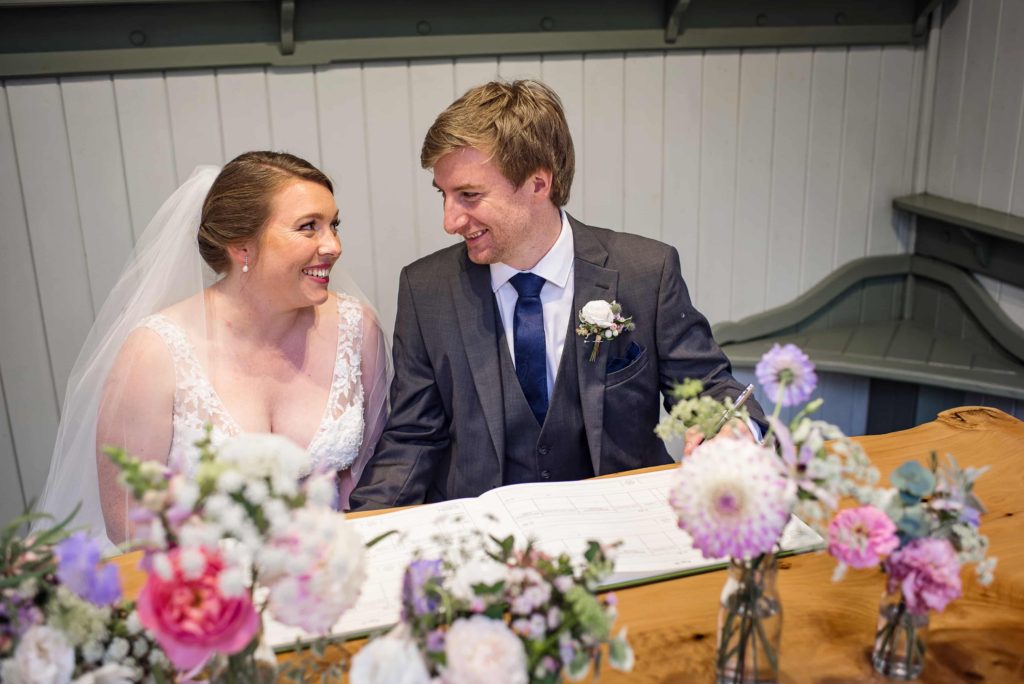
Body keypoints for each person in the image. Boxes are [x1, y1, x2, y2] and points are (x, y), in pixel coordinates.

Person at [351, 80, 763, 509]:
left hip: (624, 523)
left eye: (469, 196)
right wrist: (360, 532)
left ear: (538, 184)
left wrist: (733, 428)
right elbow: (414, 437)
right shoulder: (427, 290)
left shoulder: (645, 272)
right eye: (444, 195)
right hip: (485, 535)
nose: (450, 221)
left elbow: (708, 388)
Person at [37, 152, 389, 546]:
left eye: (333, 225)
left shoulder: (358, 329)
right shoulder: (155, 353)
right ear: (242, 248)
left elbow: (372, 475)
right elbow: (130, 525)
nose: (333, 245)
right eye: (309, 227)